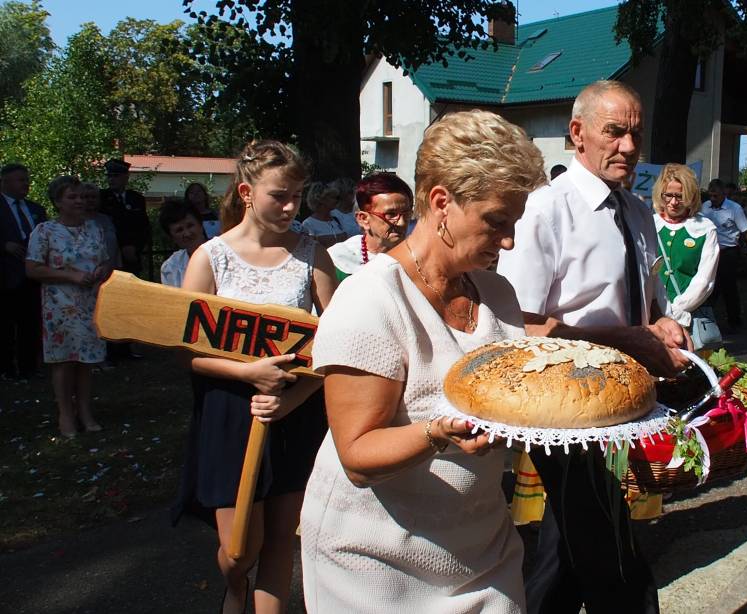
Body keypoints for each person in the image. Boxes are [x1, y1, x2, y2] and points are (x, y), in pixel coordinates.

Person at [301, 110, 547, 613]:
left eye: (514, 223)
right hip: (374, 566)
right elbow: (357, 455)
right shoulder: (371, 298)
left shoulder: (498, 294)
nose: (509, 241)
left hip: (483, 553)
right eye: (496, 221)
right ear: (441, 202)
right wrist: (438, 433)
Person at [498, 80, 689, 614]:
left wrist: (662, 325)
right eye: (615, 132)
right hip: (567, 407)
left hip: (628, 401)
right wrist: (622, 340)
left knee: (567, 549)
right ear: (577, 133)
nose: (628, 147)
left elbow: (645, 303)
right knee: (613, 557)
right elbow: (520, 326)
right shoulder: (545, 211)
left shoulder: (637, 212)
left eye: (636, 134)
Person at [174, 140, 336, 614]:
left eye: (297, 197)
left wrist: (292, 398)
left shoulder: (312, 255)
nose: (291, 208)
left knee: (282, 539)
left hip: (295, 409)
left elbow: (337, 343)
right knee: (240, 548)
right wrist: (248, 372)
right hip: (230, 411)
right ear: (246, 192)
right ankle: (235, 587)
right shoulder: (210, 257)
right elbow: (186, 353)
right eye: (279, 196)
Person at [25, 176, 111, 436]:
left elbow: (105, 260)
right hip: (60, 306)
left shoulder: (95, 228)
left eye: (82, 196)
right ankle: (65, 414)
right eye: (72, 197)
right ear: (58, 202)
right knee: (64, 360)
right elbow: (33, 268)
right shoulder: (45, 231)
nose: (79, 201)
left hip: (91, 303)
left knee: (86, 361)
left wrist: (101, 270)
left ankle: (85, 411)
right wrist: (70, 276)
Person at [651, 163, 719, 323]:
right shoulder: (649, 223)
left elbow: (705, 279)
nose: (674, 202)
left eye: (680, 196)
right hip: (650, 313)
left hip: (686, 316)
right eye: (668, 195)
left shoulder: (704, 228)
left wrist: (676, 310)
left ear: (691, 196)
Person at [1, 163, 48, 380]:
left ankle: (29, 367)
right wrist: (4, 245)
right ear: (5, 182)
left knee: (30, 323)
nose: (26, 184)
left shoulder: (36, 209)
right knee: (5, 325)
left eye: (27, 179)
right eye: (21, 180)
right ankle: (6, 369)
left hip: (33, 275)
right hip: (6, 276)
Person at [326, 172, 413, 280]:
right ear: (363, 219)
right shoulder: (341, 260)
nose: (402, 222)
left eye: (406, 214)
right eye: (391, 214)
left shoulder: (416, 257)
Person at [702, 178, 747, 330]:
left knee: (728, 287)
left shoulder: (734, 208)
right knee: (708, 285)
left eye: (716, 196)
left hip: (728, 252)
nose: (712, 198)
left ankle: (734, 321)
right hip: (709, 251)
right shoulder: (705, 207)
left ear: (723, 194)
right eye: (710, 195)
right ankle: (706, 320)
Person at [100, 158, 149, 277]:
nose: (111, 179)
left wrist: (135, 248)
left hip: (131, 256)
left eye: (116, 176)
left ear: (126, 177)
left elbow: (144, 227)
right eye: (109, 176)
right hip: (109, 255)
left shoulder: (136, 199)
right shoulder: (101, 198)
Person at [159, 199, 208, 288]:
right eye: (179, 230)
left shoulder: (224, 255)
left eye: (190, 225)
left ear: (200, 225)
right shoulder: (171, 267)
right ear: (172, 238)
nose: (187, 234)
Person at [81, 183, 120, 270]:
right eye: (86, 197)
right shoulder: (75, 221)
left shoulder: (106, 219)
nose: (90, 200)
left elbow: (115, 244)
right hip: (88, 270)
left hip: (111, 267)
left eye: (94, 197)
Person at [301, 182, 349, 248]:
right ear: (320, 199)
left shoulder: (337, 219)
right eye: (333, 197)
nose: (337, 200)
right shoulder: (308, 224)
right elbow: (309, 249)